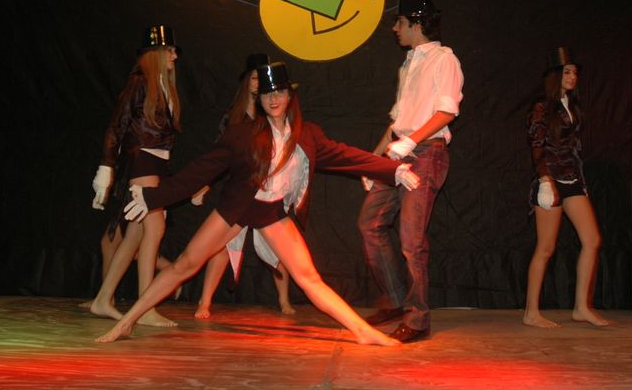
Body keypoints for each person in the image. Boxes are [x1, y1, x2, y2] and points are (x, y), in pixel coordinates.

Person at [95, 61, 419, 345]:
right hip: (236, 208)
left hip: (270, 212)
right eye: (267, 94)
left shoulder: (307, 135)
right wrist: (153, 197)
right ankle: (127, 321)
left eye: (279, 92)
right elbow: (197, 173)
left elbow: (347, 156)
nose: (274, 99)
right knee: (184, 265)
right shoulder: (242, 135)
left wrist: (392, 169)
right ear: (260, 100)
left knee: (309, 278)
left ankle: (362, 331)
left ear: (289, 96)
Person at [358, 0, 464, 343]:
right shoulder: (408, 63)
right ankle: (395, 300)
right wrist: (374, 161)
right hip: (400, 153)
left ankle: (418, 318)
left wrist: (411, 141)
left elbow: (446, 111)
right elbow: (397, 121)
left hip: (426, 154)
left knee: (411, 238)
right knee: (370, 223)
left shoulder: (444, 59)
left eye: (399, 22)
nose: (394, 28)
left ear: (416, 24)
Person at [86, 24, 181, 327]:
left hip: (157, 163)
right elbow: (116, 126)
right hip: (142, 161)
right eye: (169, 50)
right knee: (154, 228)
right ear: (155, 53)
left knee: (136, 234)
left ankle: (103, 299)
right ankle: (145, 307)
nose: (174, 56)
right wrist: (106, 167)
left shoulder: (163, 85)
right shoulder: (139, 82)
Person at [188, 52, 296, 319]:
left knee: (279, 248)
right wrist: (204, 185)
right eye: (255, 78)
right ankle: (205, 301)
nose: (260, 85)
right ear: (247, 81)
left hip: (267, 194)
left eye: (264, 80)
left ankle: (284, 299)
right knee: (222, 247)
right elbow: (219, 157)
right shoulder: (235, 117)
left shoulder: (274, 113)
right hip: (240, 194)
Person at [523, 48, 608, 328]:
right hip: (550, 179)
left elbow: (572, 149)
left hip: (572, 179)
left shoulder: (572, 105)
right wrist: (545, 180)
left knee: (592, 240)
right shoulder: (542, 107)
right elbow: (537, 146)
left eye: (575, 72)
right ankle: (531, 312)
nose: (573, 77)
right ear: (555, 74)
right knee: (546, 247)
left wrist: (579, 181)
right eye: (567, 72)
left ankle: (581, 307)